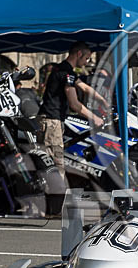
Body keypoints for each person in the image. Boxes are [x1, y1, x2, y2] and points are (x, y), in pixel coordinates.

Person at [38, 42, 107, 175]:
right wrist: (96, 119)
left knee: (49, 164)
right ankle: (56, 195)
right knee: (56, 166)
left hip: (49, 120)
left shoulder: (63, 69)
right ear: (79, 54)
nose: (87, 62)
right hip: (52, 122)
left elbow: (85, 88)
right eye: (87, 58)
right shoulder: (66, 73)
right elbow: (74, 104)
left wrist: (103, 101)